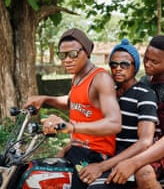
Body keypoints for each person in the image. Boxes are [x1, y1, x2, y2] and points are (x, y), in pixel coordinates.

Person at [24, 28, 122, 189]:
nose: (67, 60)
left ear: (87, 52)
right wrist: (45, 98)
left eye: (73, 54)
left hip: (94, 155)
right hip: (76, 148)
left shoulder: (100, 79)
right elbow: (72, 102)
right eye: (62, 55)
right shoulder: (77, 77)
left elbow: (114, 123)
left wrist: (71, 127)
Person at [104, 35, 164, 188]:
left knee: (143, 173)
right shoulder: (145, 80)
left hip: (163, 144)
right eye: (146, 59)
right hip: (140, 139)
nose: (148, 65)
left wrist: (133, 162)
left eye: (155, 62)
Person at [78, 39, 159, 189]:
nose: (118, 69)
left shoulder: (145, 95)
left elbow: (144, 142)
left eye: (124, 64)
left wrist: (102, 167)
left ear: (135, 67)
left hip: (128, 161)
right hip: (104, 155)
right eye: (113, 64)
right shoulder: (109, 93)